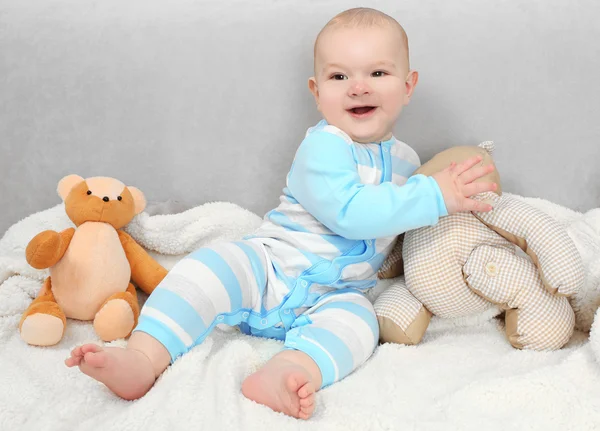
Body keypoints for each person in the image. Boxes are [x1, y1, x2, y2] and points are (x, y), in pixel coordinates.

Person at [65, 7, 496, 420]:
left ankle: (288, 371)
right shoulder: (324, 146)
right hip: (270, 268)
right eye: (339, 75)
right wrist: (434, 195)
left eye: (378, 73)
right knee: (209, 270)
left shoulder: (407, 161)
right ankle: (144, 356)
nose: (358, 87)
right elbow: (351, 213)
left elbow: (396, 229)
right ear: (317, 92)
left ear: (408, 85)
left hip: (335, 296)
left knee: (360, 326)